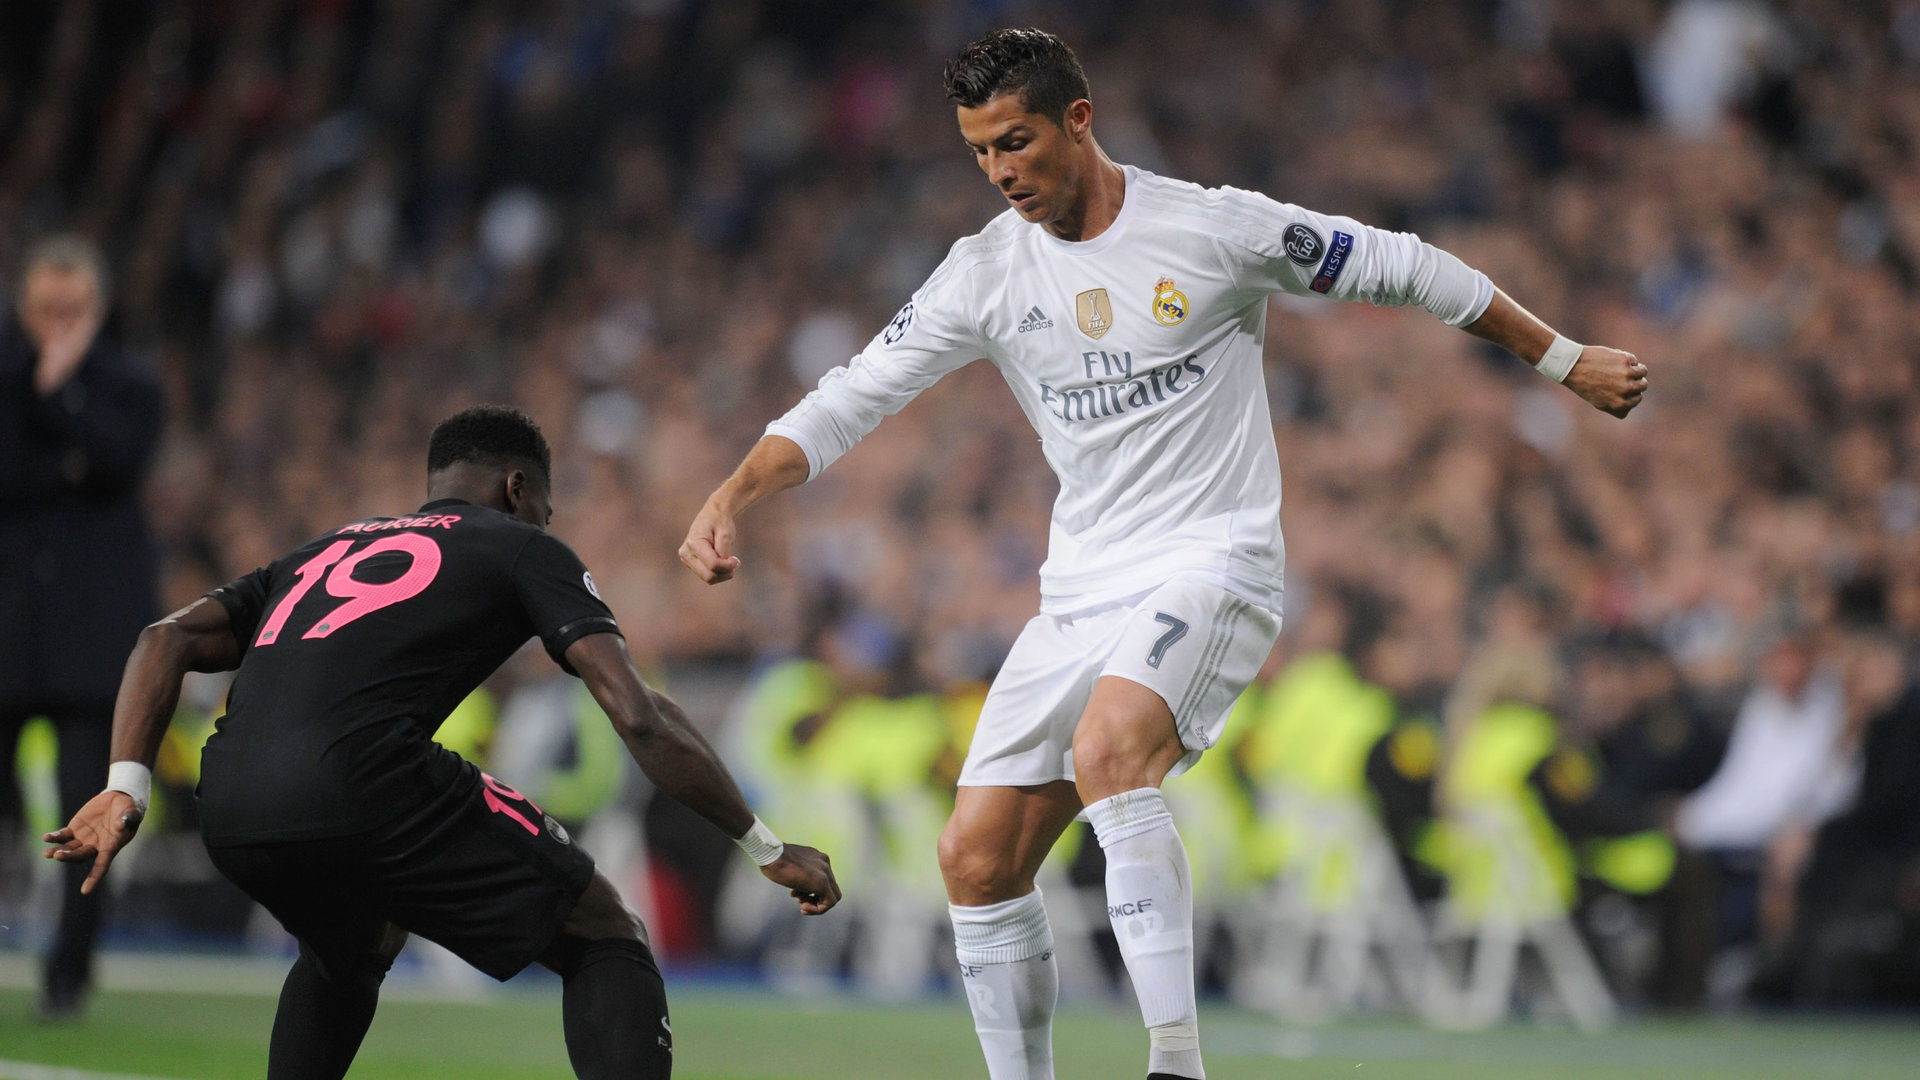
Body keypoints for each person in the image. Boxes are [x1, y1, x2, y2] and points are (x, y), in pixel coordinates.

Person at [678, 28, 1647, 1080]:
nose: (1001, 173)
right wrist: (732, 494)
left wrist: (1560, 357)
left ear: (1077, 121)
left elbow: (1407, 267)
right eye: (979, 153)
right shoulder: (984, 275)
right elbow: (848, 397)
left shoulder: (1211, 229)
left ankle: (1175, 1064)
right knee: (973, 857)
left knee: (1108, 750)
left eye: (1016, 142)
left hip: (1214, 559)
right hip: (1082, 588)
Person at [46, 405, 839, 1080]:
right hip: (364, 781)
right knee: (605, 932)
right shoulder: (521, 544)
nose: (546, 524)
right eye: (546, 508)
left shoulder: (323, 551)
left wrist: (127, 785)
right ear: (518, 488)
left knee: (348, 949)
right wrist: (766, 846)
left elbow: (163, 639)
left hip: (232, 802)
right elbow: (639, 715)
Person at [0, 234, 163, 1019]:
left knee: (90, 815)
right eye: (45, 310)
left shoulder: (131, 384)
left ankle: (68, 977)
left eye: (74, 310)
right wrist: (62, 428)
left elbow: (119, 459)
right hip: (9, 635)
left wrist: (58, 397)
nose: (59, 326)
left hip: (94, 644)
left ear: (99, 310)